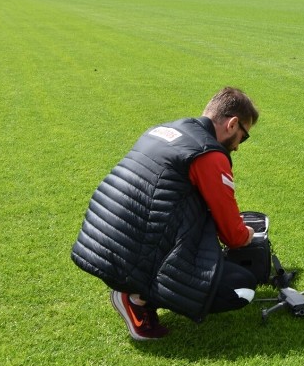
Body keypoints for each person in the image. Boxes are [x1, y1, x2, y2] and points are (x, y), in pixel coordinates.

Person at [71, 87, 260, 340]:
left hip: (98, 240)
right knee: (242, 287)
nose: (237, 147)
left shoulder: (162, 129)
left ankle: (136, 287)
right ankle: (137, 298)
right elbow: (233, 236)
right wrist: (246, 233)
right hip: (130, 255)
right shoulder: (209, 153)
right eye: (243, 137)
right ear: (232, 124)